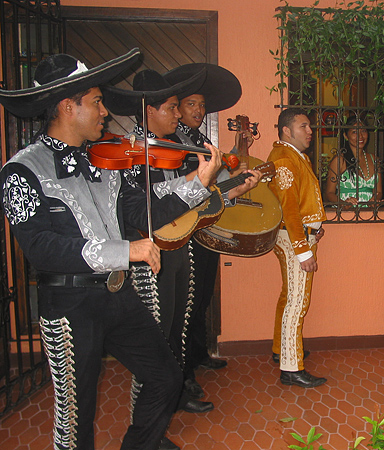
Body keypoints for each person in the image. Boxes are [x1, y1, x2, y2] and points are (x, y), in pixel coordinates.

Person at [0, 49, 225, 450]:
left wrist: (198, 182)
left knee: (165, 376)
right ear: (69, 107)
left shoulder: (104, 161)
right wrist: (125, 251)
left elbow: (143, 208)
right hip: (69, 305)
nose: (104, 111)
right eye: (96, 101)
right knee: (75, 418)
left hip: (118, 295)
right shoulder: (21, 171)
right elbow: (41, 249)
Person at [102, 69, 260, 449]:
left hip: (180, 246)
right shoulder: (129, 155)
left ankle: (163, 412)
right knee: (154, 343)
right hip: (149, 253)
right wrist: (198, 185)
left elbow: (191, 204)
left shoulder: (176, 150)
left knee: (175, 330)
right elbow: (145, 208)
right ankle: (147, 435)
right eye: (172, 107)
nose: (177, 115)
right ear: (148, 110)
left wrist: (232, 190)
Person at [163, 63, 251, 382]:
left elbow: (218, 180)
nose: (199, 110)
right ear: (176, 108)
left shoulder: (198, 139)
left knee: (200, 298)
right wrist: (228, 185)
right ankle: (183, 377)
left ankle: (198, 354)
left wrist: (240, 155)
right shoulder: (172, 142)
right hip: (185, 232)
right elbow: (188, 188)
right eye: (190, 104)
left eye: (202, 105)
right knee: (186, 303)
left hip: (205, 227)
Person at [268, 108, 327, 388]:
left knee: (288, 295)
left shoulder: (293, 156)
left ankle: (282, 349)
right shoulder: (283, 159)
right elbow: (289, 209)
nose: (310, 131)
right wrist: (303, 250)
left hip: (298, 234)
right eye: (304, 126)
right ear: (286, 131)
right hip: (294, 239)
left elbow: (302, 200)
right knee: (297, 302)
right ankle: (291, 368)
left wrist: (315, 225)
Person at [324, 116, 382, 206]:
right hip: (347, 214)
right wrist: (344, 204)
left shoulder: (374, 159)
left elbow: (378, 191)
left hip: (370, 213)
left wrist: (375, 199)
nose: (360, 136)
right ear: (346, 136)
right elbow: (329, 193)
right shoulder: (340, 160)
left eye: (363, 131)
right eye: (354, 132)